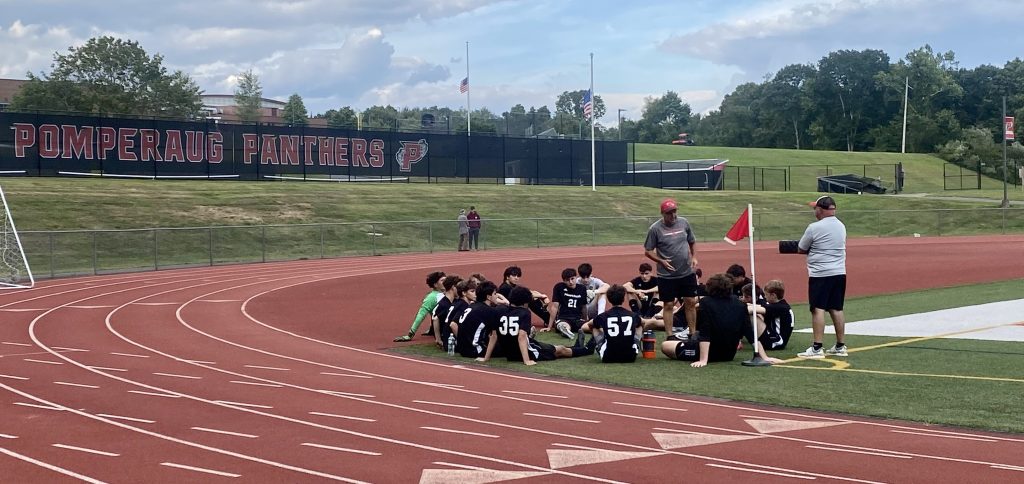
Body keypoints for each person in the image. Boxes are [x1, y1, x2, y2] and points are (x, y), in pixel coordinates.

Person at [661, 273, 782, 367]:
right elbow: (750, 333)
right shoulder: (740, 304)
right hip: (729, 353)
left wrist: (703, 359)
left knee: (665, 345)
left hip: (711, 353)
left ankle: (694, 349)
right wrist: (764, 357)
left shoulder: (706, 303)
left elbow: (705, 332)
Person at [477, 286, 590, 365]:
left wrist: (486, 358)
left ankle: (577, 347)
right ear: (525, 302)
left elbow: (494, 336)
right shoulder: (524, 313)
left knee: (554, 346)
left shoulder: (499, 310)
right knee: (560, 350)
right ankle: (586, 349)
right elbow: (521, 336)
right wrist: (526, 360)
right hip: (526, 351)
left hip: (509, 352)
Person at [796, 195, 848, 358]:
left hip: (820, 273)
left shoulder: (814, 227)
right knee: (836, 308)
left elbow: (801, 248)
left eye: (815, 208)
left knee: (817, 308)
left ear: (820, 209)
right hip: (839, 272)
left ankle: (817, 347)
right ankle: (840, 345)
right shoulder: (841, 226)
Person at [644, 198, 699, 341]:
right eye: (669, 213)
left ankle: (692, 333)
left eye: (674, 211)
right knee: (668, 304)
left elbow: (692, 241)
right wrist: (660, 260)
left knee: (690, 301)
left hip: (686, 272)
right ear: (663, 213)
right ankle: (670, 335)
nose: (673, 215)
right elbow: (648, 251)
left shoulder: (684, 223)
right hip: (666, 275)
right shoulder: (655, 229)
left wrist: (693, 257)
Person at [591, 284, 644, 363]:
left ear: (609, 299)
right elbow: (642, 323)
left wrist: (604, 332)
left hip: (608, 357)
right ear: (623, 299)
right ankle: (636, 344)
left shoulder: (603, 316)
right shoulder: (632, 315)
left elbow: (591, 324)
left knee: (594, 327)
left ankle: (600, 346)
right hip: (630, 357)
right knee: (640, 326)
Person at [454, 281, 506, 358]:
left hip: (462, 349)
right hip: (475, 350)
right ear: (488, 297)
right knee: (508, 348)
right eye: (495, 294)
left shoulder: (471, 306)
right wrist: (486, 358)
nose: (496, 296)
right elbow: (494, 336)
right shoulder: (489, 311)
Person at [393, 271, 446, 342]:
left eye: (446, 279)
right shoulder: (431, 298)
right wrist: (410, 335)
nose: (446, 282)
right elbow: (421, 315)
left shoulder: (451, 292)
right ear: (435, 284)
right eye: (443, 280)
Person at [542, 267, 588, 339]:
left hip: (578, 320)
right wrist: (549, 327)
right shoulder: (559, 287)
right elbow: (555, 307)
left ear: (576, 278)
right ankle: (566, 331)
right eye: (567, 280)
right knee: (562, 325)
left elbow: (584, 307)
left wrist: (586, 320)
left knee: (590, 326)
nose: (570, 282)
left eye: (572, 279)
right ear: (563, 281)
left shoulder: (582, 288)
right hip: (564, 318)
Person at [762, 279, 794, 351]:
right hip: (774, 337)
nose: (765, 297)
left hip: (777, 341)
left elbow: (758, 309)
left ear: (773, 295)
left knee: (754, 316)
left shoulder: (780, 307)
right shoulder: (780, 305)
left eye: (766, 294)